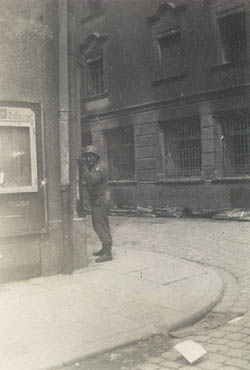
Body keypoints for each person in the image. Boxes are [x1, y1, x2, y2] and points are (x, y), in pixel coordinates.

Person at [81, 145, 113, 263]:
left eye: (91, 157)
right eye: (87, 157)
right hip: (98, 199)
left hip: (101, 199)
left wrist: (83, 168)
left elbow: (92, 180)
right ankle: (105, 249)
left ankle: (108, 253)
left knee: (100, 225)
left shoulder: (99, 167)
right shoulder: (95, 166)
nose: (89, 159)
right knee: (99, 224)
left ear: (96, 157)